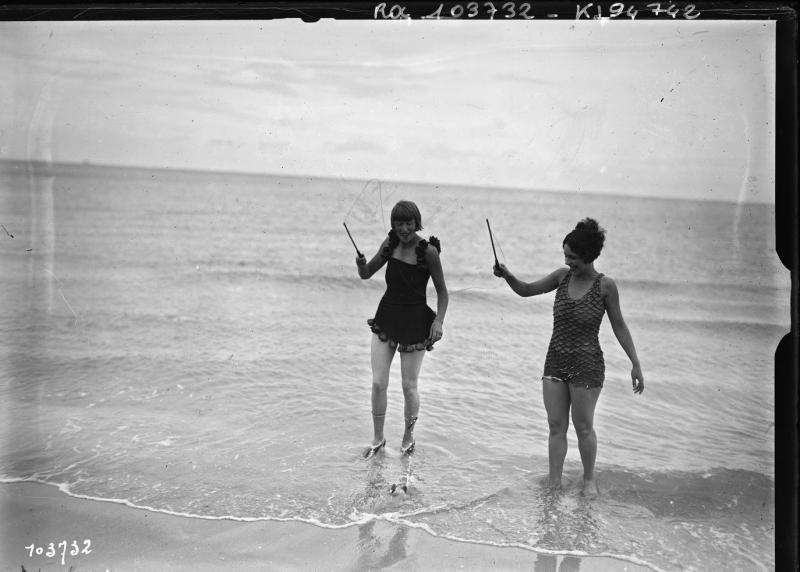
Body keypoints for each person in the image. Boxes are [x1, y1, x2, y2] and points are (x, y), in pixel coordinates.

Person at [493, 218, 643, 496]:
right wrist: (508, 276)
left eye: (572, 257)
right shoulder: (561, 277)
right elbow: (526, 290)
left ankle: (588, 481)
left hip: (587, 365)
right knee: (555, 426)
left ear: (588, 256)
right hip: (555, 361)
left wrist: (635, 363)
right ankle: (554, 484)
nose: (567, 261)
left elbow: (619, 325)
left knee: (583, 427)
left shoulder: (605, 286)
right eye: (565, 255)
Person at [355, 200, 448, 458]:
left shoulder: (428, 252)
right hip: (387, 316)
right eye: (399, 223)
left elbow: (442, 292)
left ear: (416, 222)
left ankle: (408, 438)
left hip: (416, 321)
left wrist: (438, 321)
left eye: (408, 223)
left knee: (409, 386)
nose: (404, 228)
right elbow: (366, 273)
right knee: (377, 382)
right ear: (393, 224)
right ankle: (378, 439)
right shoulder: (389, 244)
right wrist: (361, 264)